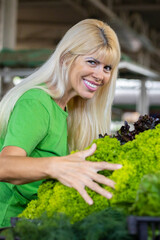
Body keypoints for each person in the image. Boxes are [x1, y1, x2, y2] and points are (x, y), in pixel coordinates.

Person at [0, 19, 122, 227]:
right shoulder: (37, 102)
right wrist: (55, 167)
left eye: (107, 67)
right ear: (66, 58)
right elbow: (4, 166)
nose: (100, 75)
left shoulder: (68, 110)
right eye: (92, 62)